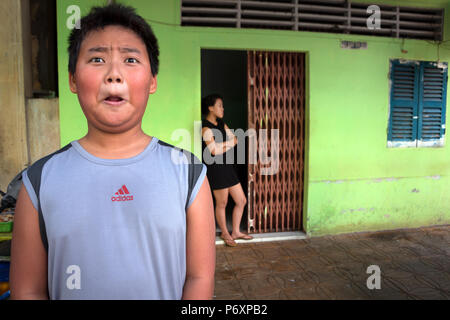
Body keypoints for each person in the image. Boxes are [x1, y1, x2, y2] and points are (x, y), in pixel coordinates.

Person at [9, 4, 215, 300]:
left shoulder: (188, 173)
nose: (114, 74)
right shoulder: (39, 182)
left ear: (152, 80)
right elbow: (27, 291)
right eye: (97, 59)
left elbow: (199, 278)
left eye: (131, 59)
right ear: (72, 80)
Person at [201, 94, 252, 247]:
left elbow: (235, 139)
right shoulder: (205, 128)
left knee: (241, 200)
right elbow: (213, 151)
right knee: (222, 202)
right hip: (216, 169)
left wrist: (222, 145)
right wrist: (226, 145)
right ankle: (225, 232)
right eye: (220, 105)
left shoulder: (222, 124)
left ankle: (235, 231)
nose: (223, 109)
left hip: (227, 166)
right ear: (210, 108)